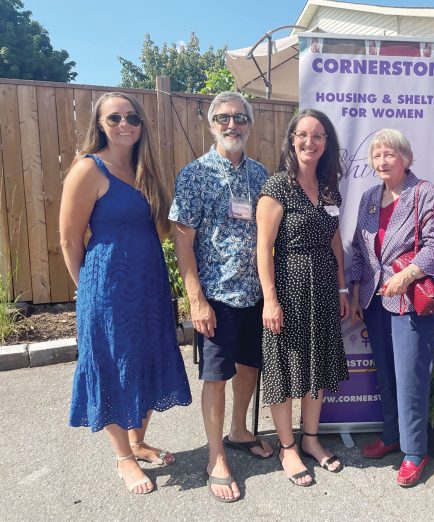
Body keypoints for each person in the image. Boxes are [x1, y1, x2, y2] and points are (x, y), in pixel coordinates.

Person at [59, 92, 192, 495]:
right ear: (99, 125)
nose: (124, 124)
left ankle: (138, 441)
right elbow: (68, 240)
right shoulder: (88, 169)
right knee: (113, 365)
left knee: (147, 358)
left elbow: (163, 230)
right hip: (106, 289)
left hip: (148, 285)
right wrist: (89, 293)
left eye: (132, 116)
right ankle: (123, 457)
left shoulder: (144, 170)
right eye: (114, 117)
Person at [169, 91, 272, 503]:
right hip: (217, 296)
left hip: (256, 294)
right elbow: (182, 240)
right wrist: (196, 299)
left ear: (249, 125)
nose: (233, 125)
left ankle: (240, 429)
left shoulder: (261, 174)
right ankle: (215, 455)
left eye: (240, 118)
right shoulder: (195, 175)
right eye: (224, 118)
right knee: (216, 377)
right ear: (212, 125)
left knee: (249, 367)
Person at [349, 129, 434, 487]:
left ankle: (414, 451)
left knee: (411, 376)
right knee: (386, 373)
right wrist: (356, 287)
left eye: (389, 154)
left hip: (409, 299)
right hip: (374, 299)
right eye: (376, 156)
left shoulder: (424, 193)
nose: (381, 162)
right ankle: (391, 435)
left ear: (405, 158)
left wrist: (405, 277)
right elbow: (359, 249)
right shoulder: (369, 198)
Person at [256, 109, 349, 487]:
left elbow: (335, 239)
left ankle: (311, 440)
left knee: (318, 364)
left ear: (327, 144)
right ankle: (287, 446)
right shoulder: (277, 187)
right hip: (290, 286)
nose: (310, 142)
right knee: (285, 366)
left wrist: (343, 286)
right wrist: (269, 299)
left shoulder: (329, 188)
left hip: (325, 287)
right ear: (292, 139)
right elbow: (263, 248)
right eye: (303, 135)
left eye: (319, 136)